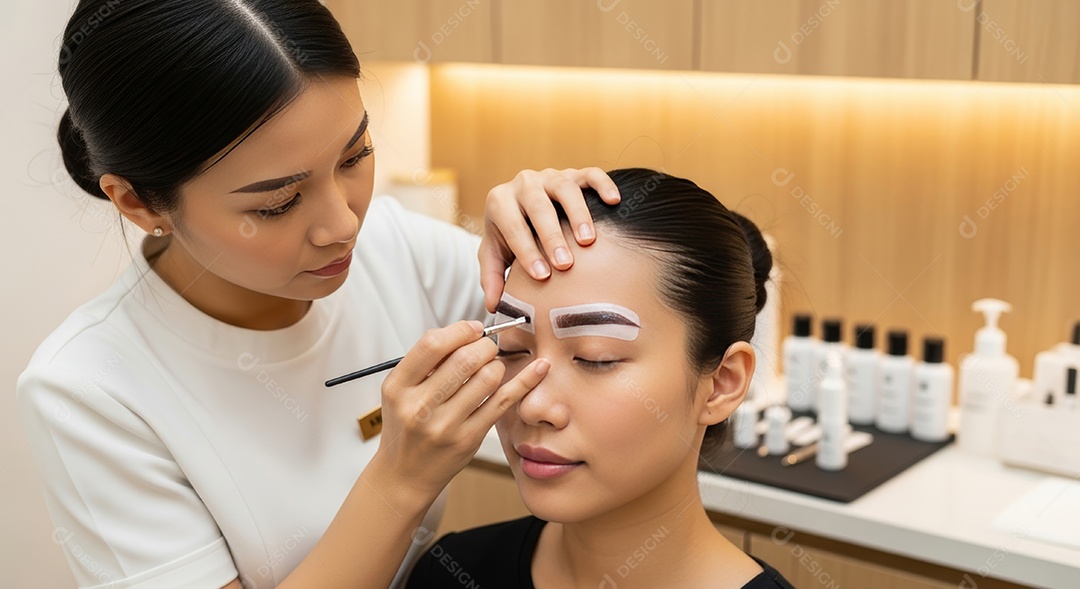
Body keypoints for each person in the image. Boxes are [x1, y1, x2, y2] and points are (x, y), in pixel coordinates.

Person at [17, 1, 620, 588]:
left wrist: (569, 227)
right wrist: (398, 482)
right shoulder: (88, 389)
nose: (344, 225)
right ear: (139, 203)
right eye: (276, 203)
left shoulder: (397, 248)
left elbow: (616, 325)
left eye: (354, 155)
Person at [405, 168, 795, 588]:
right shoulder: (450, 571)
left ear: (722, 383)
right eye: (513, 348)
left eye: (596, 359)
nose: (532, 406)